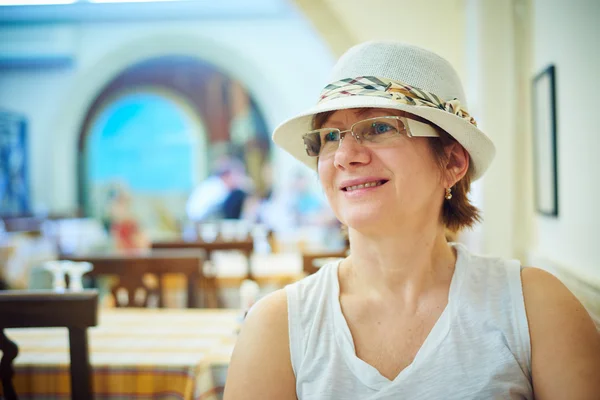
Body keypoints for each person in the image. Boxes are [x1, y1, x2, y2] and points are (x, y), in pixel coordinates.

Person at [223, 41, 600, 399]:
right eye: (329, 137)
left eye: (380, 127)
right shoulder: (277, 326)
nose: (344, 156)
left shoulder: (532, 306)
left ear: (452, 162)